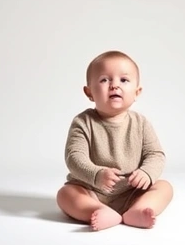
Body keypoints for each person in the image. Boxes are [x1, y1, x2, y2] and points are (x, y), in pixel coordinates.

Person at [56, 50, 174, 230]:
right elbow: (74, 157)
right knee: (65, 194)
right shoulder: (83, 122)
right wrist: (96, 174)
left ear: (137, 92)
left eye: (124, 80)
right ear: (89, 92)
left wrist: (146, 173)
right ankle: (96, 210)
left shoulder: (140, 123)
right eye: (104, 80)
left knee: (165, 187)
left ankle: (139, 209)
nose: (114, 86)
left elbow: (155, 154)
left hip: (132, 191)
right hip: (92, 190)